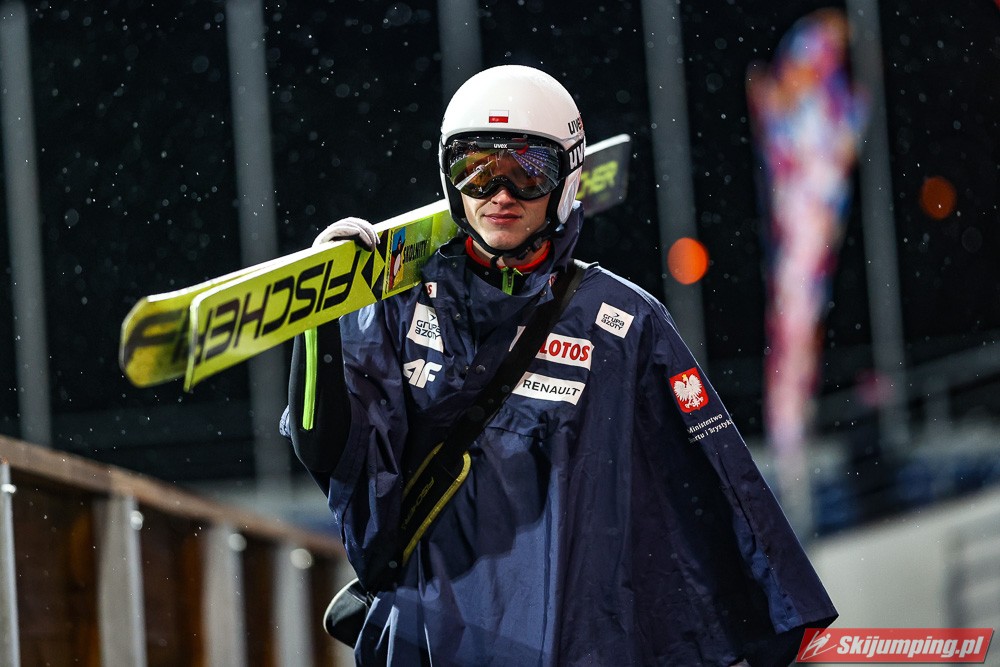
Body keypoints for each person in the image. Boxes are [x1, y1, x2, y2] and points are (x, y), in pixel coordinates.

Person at [281, 65, 836, 666]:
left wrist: (765, 618)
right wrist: (323, 317)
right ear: (448, 176)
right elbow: (334, 451)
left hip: (572, 643)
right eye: (477, 169)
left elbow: (712, 486)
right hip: (434, 640)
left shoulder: (624, 321)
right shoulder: (398, 307)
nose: (500, 195)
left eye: (528, 173)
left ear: (567, 179)